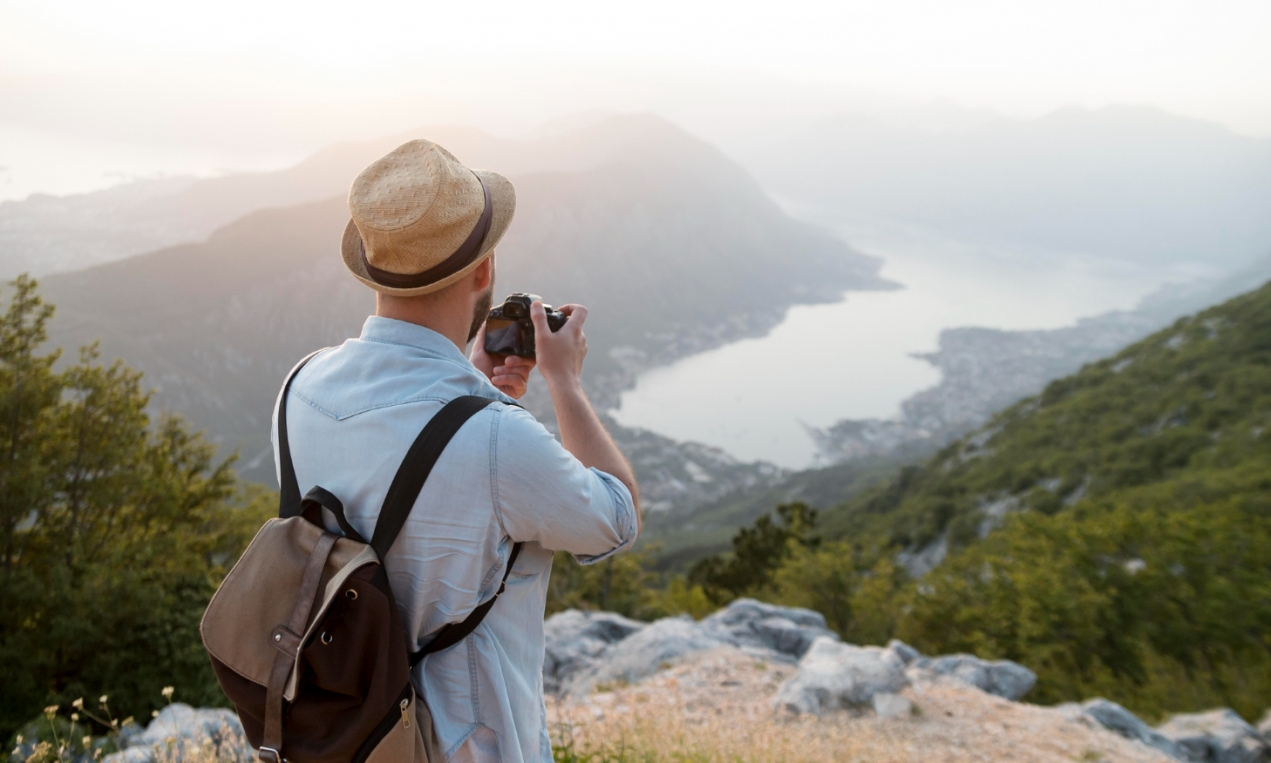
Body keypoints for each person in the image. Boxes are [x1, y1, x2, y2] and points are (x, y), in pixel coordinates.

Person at [272, 139, 640, 763]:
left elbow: (389, 466)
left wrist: (469, 385)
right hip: (464, 746)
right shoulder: (496, 438)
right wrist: (565, 383)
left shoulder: (300, 385)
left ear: (372, 268)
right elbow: (616, 519)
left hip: (336, 733)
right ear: (484, 271)